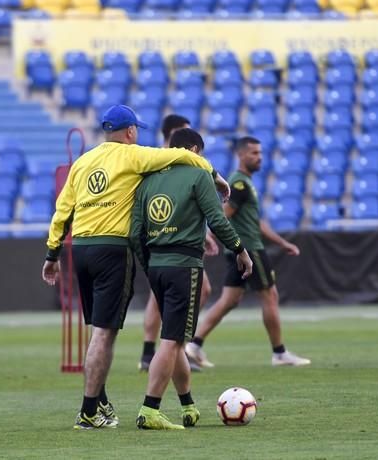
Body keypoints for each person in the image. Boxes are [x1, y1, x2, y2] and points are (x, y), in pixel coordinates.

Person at [41, 105, 230, 430]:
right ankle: (88, 412)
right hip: (113, 248)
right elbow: (185, 157)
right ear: (130, 131)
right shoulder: (134, 156)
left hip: (82, 248)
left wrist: (52, 254)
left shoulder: (82, 162)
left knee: (97, 330)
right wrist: (217, 178)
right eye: (137, 129)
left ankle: (98, 402)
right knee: (105, 332)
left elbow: (62, 210)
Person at [130, 128, 253, 429]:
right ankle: (150, 409)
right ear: (195, 151)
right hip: (185, 266)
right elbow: (218, 220)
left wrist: (149, 266)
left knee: (176, 340)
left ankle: (188, 406)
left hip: (156, 265)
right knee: (172, 342)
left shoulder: (148, 181)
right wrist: (240, 249)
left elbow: (135, 232)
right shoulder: (199, 177)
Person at [185, 136, 312, 368]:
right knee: (270, 296)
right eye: (253, 153)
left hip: (242, 247)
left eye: (260, 153)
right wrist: (209, 236)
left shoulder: (244, 182)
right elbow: (223, 215)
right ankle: (280, 353)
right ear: (241, 155)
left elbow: (257, 222)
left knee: (229, 300)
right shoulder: (240, 185)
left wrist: (282, 243)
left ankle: (193, 345)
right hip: (248, 249)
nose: (259, 157)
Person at [138, 114, 219, 372]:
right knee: (162, 296)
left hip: (169, 235)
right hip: (166, 238)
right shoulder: (163, 158)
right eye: (185, 131)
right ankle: (162, 350)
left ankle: (162, 350)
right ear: (173, 134)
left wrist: (203, 234)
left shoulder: (168, 161)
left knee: (177, 293)